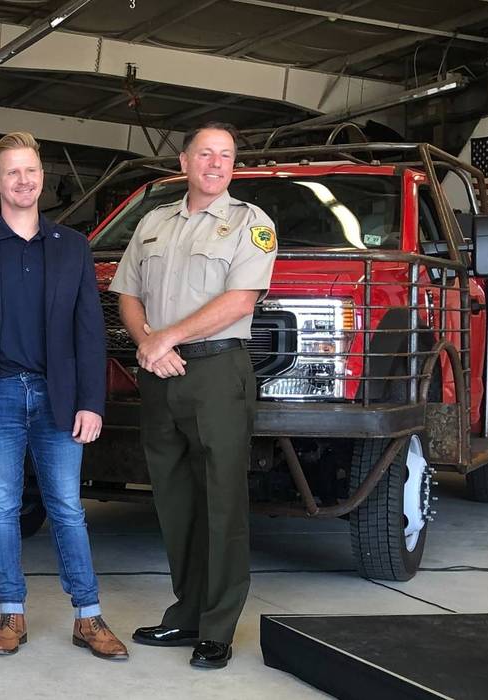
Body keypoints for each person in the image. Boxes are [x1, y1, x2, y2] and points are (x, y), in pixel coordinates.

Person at [109, 122, 277, 670]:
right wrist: (148, 345)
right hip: (161, 374)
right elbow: (128, 293)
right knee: (175, 499)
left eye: (225, 155)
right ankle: (186, 611)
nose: (215, 163)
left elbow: (240, 300)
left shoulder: (251, 224)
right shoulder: (153, 223)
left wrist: (169, 337)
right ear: (183, 162)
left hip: (216, 374)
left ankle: (218, 626)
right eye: (205, 154)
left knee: (222, 501)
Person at [0, 131, 127, 660]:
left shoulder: (72, 246)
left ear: (41, 178)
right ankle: (11, 613)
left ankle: (88, 616)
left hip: (59, 396)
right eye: (12, 172)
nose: (23, 180)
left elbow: (89, 332)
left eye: (30, 170)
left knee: (68, 508)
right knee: (1, 507)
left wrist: (92, 402)